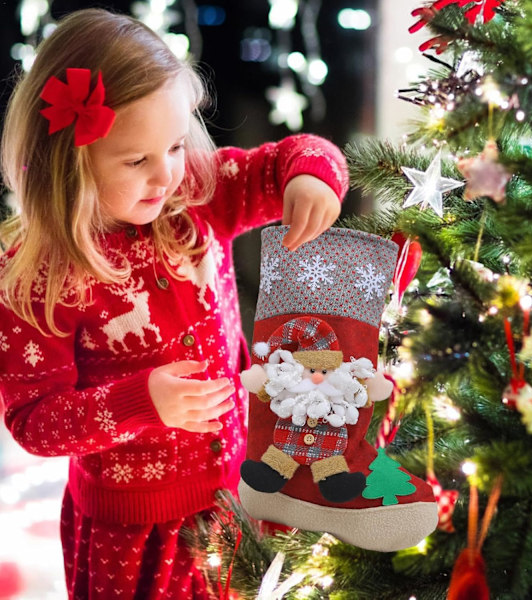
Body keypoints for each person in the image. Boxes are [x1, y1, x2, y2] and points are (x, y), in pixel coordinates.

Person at [0, 8, 347, 599]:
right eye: (137, 161)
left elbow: (289, 157)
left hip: (237, 490)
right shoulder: (38, 275)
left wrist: (311, 176)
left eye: (177, 145)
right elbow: (34, 422)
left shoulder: (196, 198)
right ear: (70, 164)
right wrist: (143, 403)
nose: (166, 175)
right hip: (133, 532)